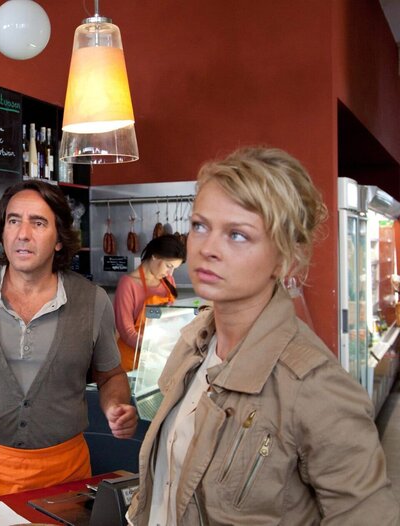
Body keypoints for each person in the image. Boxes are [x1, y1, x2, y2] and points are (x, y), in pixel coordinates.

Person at [126, 147, 400, 525]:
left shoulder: (316, 387)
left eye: (237, 235)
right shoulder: (193, 341)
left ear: (284, 259)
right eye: (200, 226)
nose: (207, 249)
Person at [0, 179, 138, 502]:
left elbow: (110, 376)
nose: (23, 233)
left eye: (38, 223)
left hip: (63, 477)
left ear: (60, 239)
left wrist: (117, 405)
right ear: (3, 232)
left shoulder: (92, 302)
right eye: (13, 221)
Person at [114, 235, 186, 371]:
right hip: (132, 360)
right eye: (168, 266)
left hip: (159, 360)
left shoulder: (168, 281)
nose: (170, 272)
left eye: (174, 268)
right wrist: (152, 346)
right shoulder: (128, 284)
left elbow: (172, 320)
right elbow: (126, 332)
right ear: (154, 256)